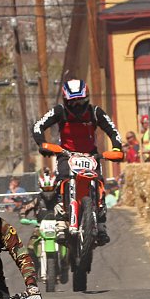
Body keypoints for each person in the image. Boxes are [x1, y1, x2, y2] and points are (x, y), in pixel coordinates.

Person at [33, 78, 123, 245]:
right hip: (66, 154)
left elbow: (112, 130)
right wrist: (41, 144)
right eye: (73, 103)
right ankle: (60, 221)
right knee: (62, 179)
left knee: (99, 182)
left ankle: (101, 224)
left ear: (87, 98)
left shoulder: (95, 112)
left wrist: (117, 147)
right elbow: (38, 125)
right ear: (66, 101)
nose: (77, 106)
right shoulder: (59, 111)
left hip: (90, 155)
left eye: (81, 101)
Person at [18, 169, 61, 263]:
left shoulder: (60, 199)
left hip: (59, 226)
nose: (48, 191)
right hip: (40, 227)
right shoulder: (37, 199)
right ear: (41, 187)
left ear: (54, 187)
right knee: (30, 247)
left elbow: (69, 209)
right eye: (46, 189)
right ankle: (36, 268)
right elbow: (24, 208)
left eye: (50, 188)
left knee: (69, 243)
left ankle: (69, 264)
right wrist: (23, 217)